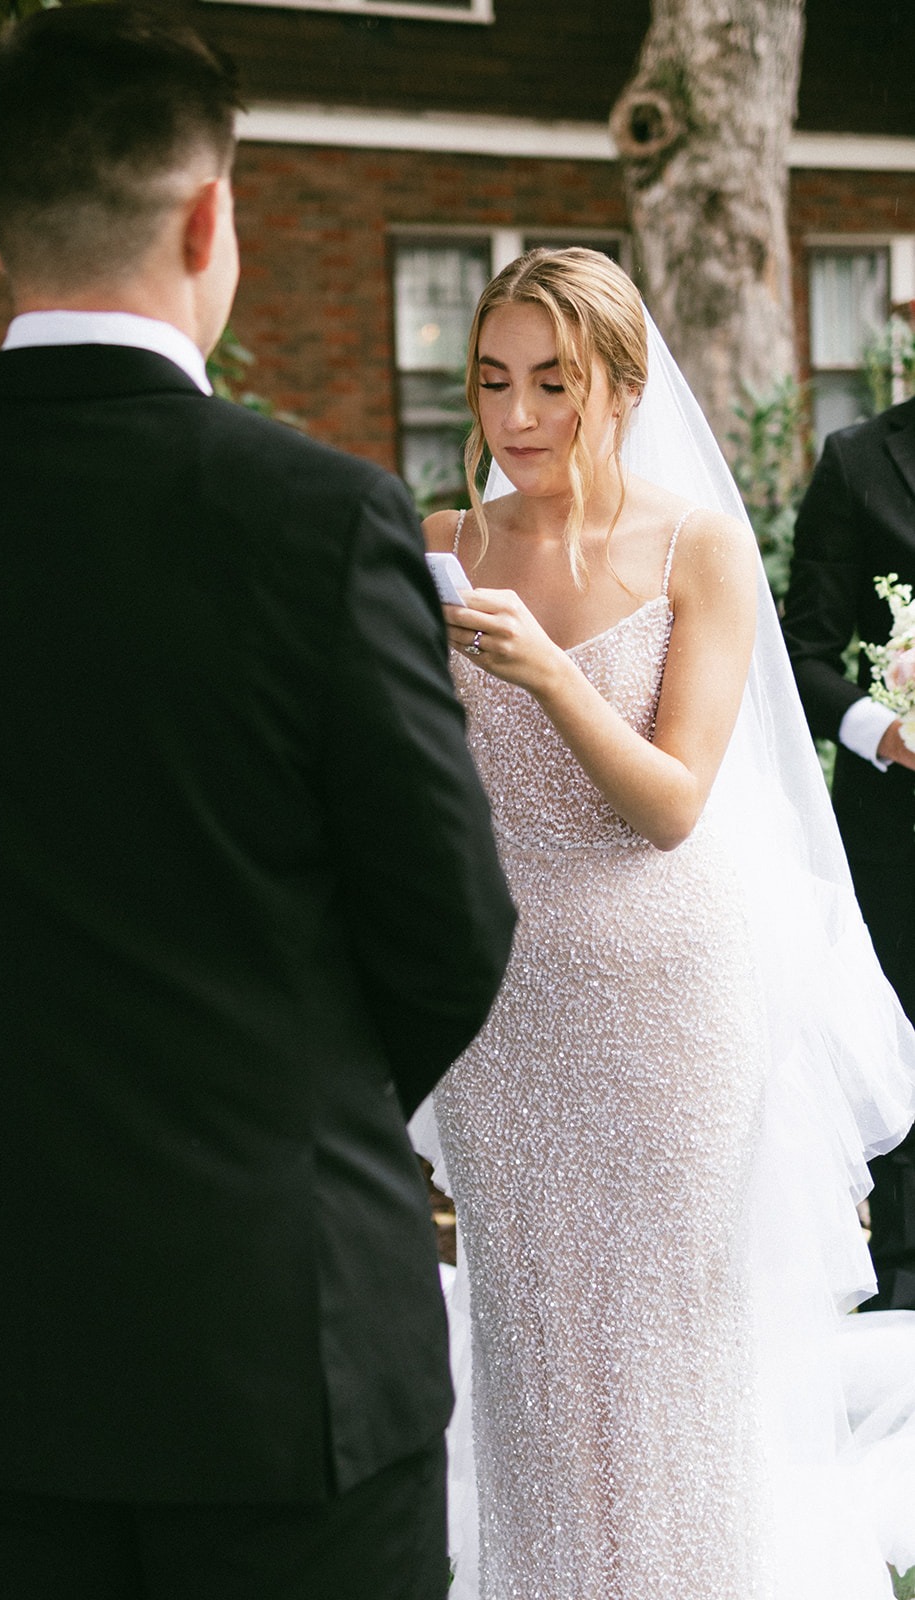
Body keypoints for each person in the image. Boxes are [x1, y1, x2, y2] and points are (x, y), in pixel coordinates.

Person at [0, 7, 517, 1599]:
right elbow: (449, 925)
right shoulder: (318, 518)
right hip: (274, 1336)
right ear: (212, 215)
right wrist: (281, 1106)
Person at [410, 246, 915, 1600]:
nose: (515, 417)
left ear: (619, 386)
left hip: (666, 1005)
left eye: (552, 383)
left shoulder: (692, 544)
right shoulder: (439, 552)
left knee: (665, 1352)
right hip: (505, 1014)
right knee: (529, 1350)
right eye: (493, 381)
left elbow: (671, 803)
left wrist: (543, 674)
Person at [783, 396, 915, 1311]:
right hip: (892, 833)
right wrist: (887, 729)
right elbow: (801, 653)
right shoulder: (858, 460)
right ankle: (904, 1280)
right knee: (902, 1052)